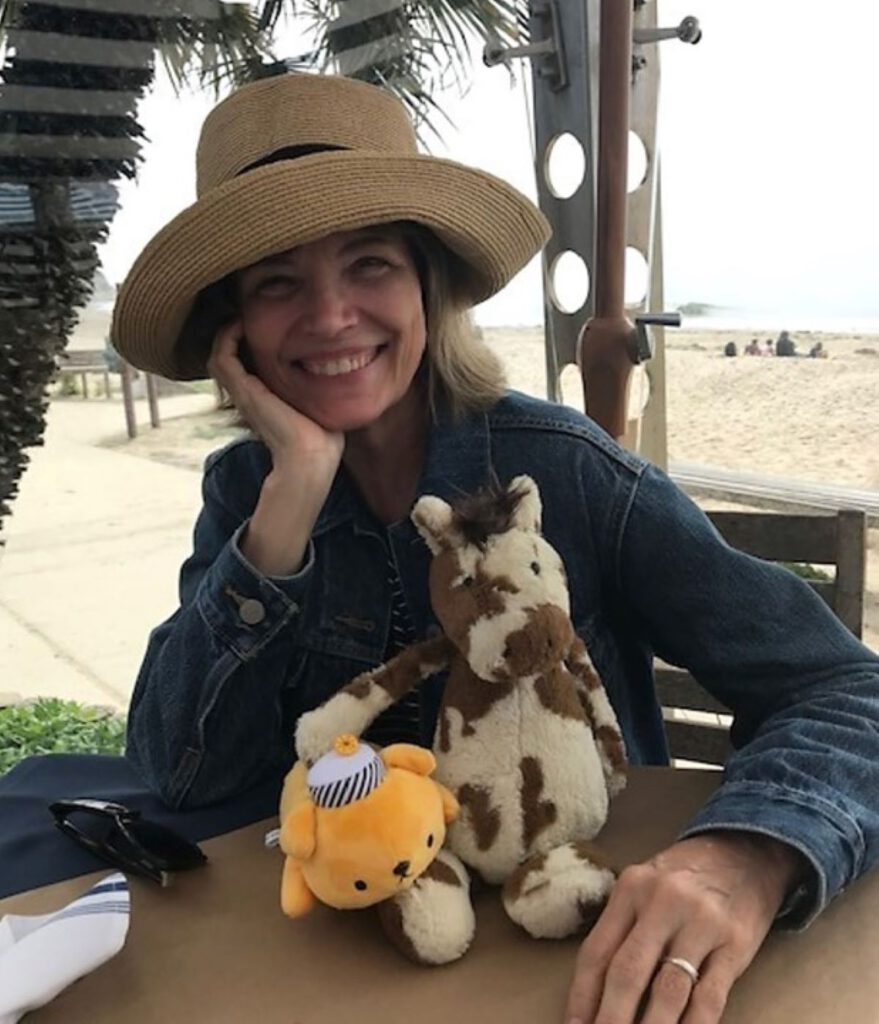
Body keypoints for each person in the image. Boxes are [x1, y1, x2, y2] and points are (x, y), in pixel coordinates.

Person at [111, 74, 879, 1024]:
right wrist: (288, 507)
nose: (329, 316)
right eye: (277, 283)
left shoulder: (564, 468)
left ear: (427, 284)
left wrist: (746, 854)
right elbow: (181, 772)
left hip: (579, 957)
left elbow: (848, 691)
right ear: (235, 333)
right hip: (345, 967)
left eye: (370, 265)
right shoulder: (244, 494)